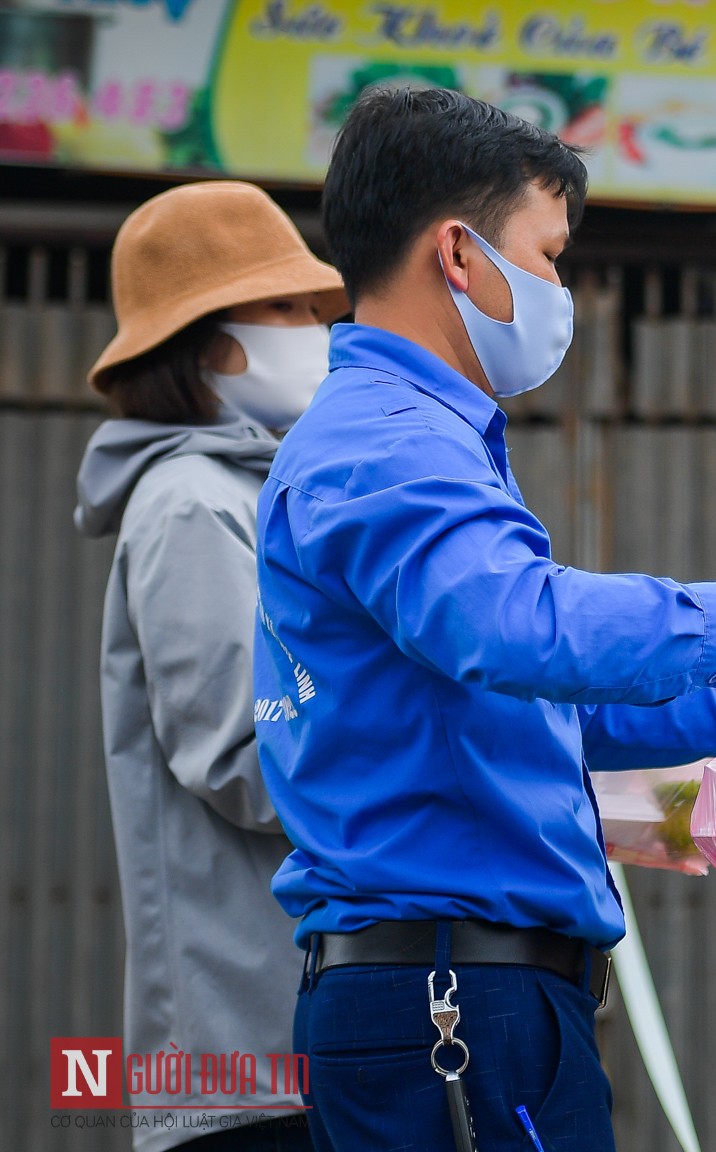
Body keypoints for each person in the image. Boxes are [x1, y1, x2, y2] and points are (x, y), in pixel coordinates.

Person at [258, 87, 716, 1152]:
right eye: (549, 255)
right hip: (453, 1000)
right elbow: (525, 627)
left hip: (474, 995)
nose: (561, 288)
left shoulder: (425, 438)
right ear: (459, 255)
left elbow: (553, 706)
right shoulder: (385, 447)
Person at [74, 180, 349, 1151]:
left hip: (296, 1039)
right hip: (251, 1054)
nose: (313, 329)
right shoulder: (191, 502)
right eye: (283, 308)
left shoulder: (256, 492)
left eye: (314, 309)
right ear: (207, 341)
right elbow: (246, 750)